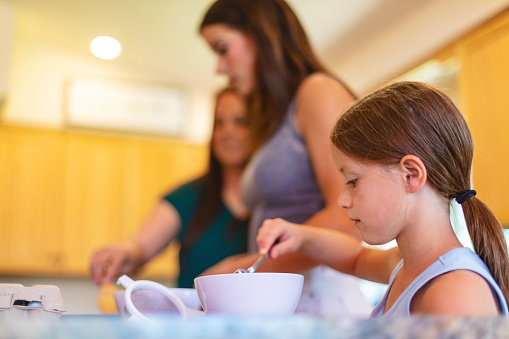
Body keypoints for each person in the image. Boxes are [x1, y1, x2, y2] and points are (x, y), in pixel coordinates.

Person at [257, 81, 509, 317]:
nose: (342, 200)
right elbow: (355, 258)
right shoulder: (405, 264)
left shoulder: (454, 293)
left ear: (410, 175)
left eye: (353, 181)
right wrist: (301, 236)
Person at [198, 0, 372, 316]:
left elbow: (348, 213)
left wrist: (241, 267)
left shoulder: (319, 91)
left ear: (260, 35)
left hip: (320, 305)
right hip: (287, 303)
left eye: (222, 49)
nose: (219, 68)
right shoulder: (277, 118)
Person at [90, 87, 251, 288]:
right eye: (219, 123)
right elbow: (140, 246)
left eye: (241, 122)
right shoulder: (189, 197)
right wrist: (123, 252)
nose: (227, 132)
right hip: (192, 317)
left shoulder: (277, 202)